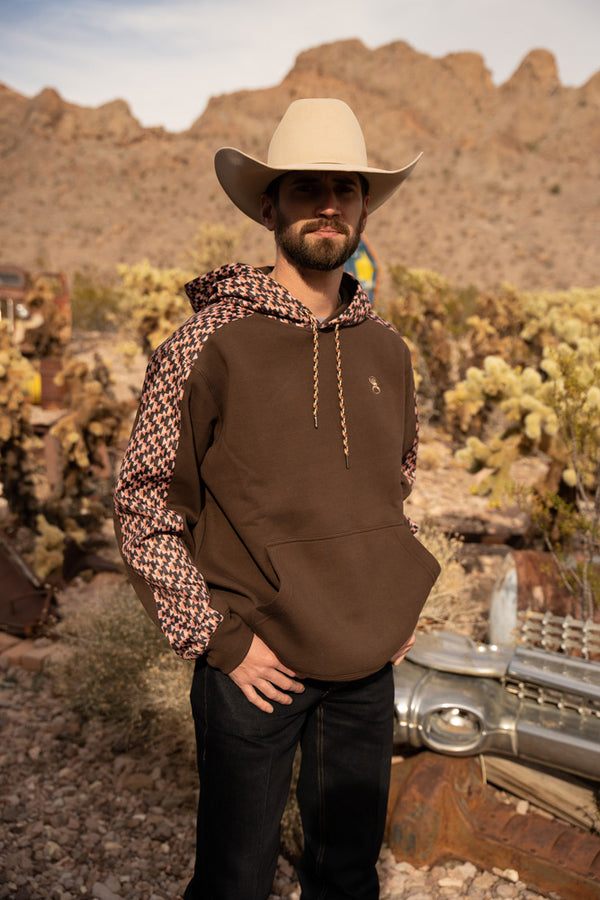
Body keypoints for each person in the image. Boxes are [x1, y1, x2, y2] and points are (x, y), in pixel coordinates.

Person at [114, 97, 440, 900]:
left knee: (347, 872)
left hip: (365, 667)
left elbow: (393, 482)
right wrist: (218, 641)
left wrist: (389, 608)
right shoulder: (204, 344)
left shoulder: (389, 350)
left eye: (346, 188)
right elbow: (145, 501)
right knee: (234, 880)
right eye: (305, 188)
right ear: (269, 206)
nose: (328, 204)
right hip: (255, 663)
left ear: (365, 206)